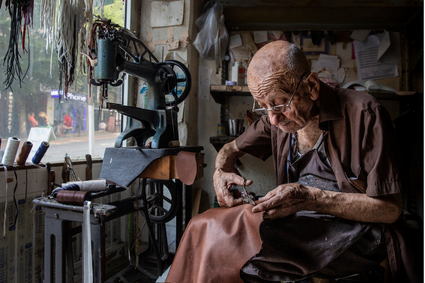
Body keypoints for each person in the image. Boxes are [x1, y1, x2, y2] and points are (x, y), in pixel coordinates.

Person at [166, 41, 420, 283]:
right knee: (203, 226)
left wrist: (310, 198)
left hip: (362, 230)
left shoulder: (365, 113)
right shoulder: (275, 120)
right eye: (264, 108)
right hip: (306, 220)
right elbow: (230, 149)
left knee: (236, 255)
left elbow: (390, 209)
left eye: (280, 104)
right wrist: (220, 171)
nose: (273, 119)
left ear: (311, 86)